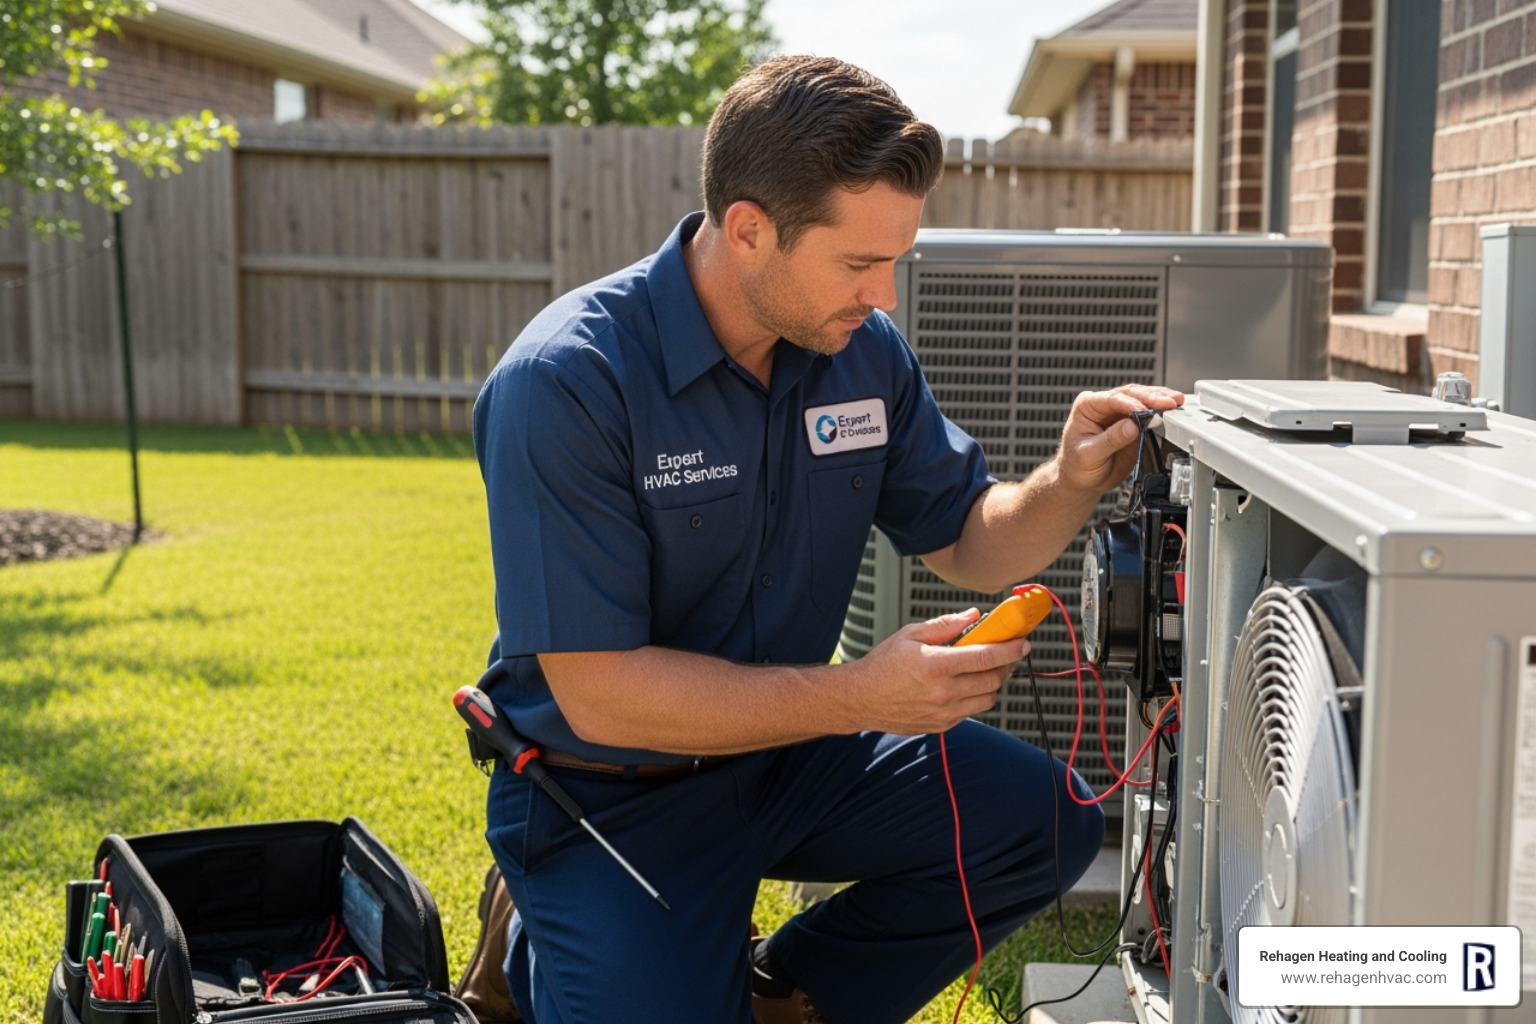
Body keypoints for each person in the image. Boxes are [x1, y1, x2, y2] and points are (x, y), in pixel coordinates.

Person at [471, 54, 1183, 1024]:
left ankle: (780, 990)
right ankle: (531, 942)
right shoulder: (567, 382)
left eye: (894, 259)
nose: (883, 295)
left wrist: (1065, 480)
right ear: (750, 231)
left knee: (1046, 819)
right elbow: (597, 690)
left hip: (792, 754)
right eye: (858, 264)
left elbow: (969, 536)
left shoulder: (858, 353)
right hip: (609, 791)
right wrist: (859, 693)